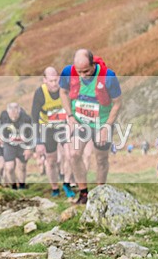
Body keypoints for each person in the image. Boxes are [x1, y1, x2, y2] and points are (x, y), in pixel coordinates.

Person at [59, 49, 122, 205]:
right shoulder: (68, 72)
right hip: (81, 122)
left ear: (93, 64)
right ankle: (84, 194)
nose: (83, 75)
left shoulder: (108, 77)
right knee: (74, 154)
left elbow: (118, 103)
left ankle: (101, 192)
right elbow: (63, 92)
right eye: (79, 72)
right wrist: (70, 116)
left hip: (102, 123)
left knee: (101, 158)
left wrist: (106, 127)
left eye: (86, 71)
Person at [30, 66, 74, 198]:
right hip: (47, 128)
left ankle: (66, 183)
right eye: (51, 81)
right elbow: (34, 118)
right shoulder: (40, 93)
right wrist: (38, 141)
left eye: (56, 80)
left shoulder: (64, 89)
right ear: (44, 80)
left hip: (62, 126)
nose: (54, 84)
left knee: (70, 154)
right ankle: (55, 188)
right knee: (51, 160)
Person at [0, 102, 34, 189]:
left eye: (15, 112)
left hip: (22, 144)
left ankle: (22, 186)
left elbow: (32, 134)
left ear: (19, 111)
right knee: (9, 167)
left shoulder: (26, 118)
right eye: (11, 112)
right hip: (9, 144)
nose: (13, 115)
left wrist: (28, 148)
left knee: (22, 166)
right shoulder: (4, 117)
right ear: (8, 112)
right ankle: (13, 186)